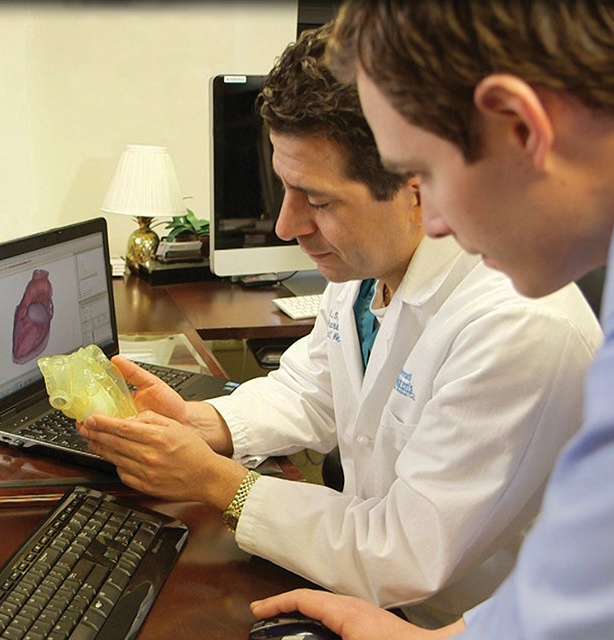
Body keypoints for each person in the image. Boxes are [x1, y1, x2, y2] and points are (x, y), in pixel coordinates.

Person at [78, 24, 601, 628]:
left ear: (416, 185)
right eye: (285, 188)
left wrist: (218, 482)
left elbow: (402, 552)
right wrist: (201, 423)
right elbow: (313, 386)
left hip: (440, 618)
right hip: (371, 584)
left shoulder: (518, 324)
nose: (285, 224)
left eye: (317, 201)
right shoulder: (366, 266)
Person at [248, 2, 614, 638]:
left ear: (520, 127)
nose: (435, 223)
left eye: (426, 175)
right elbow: (577, 585)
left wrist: (225, 490)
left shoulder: (529, 322)